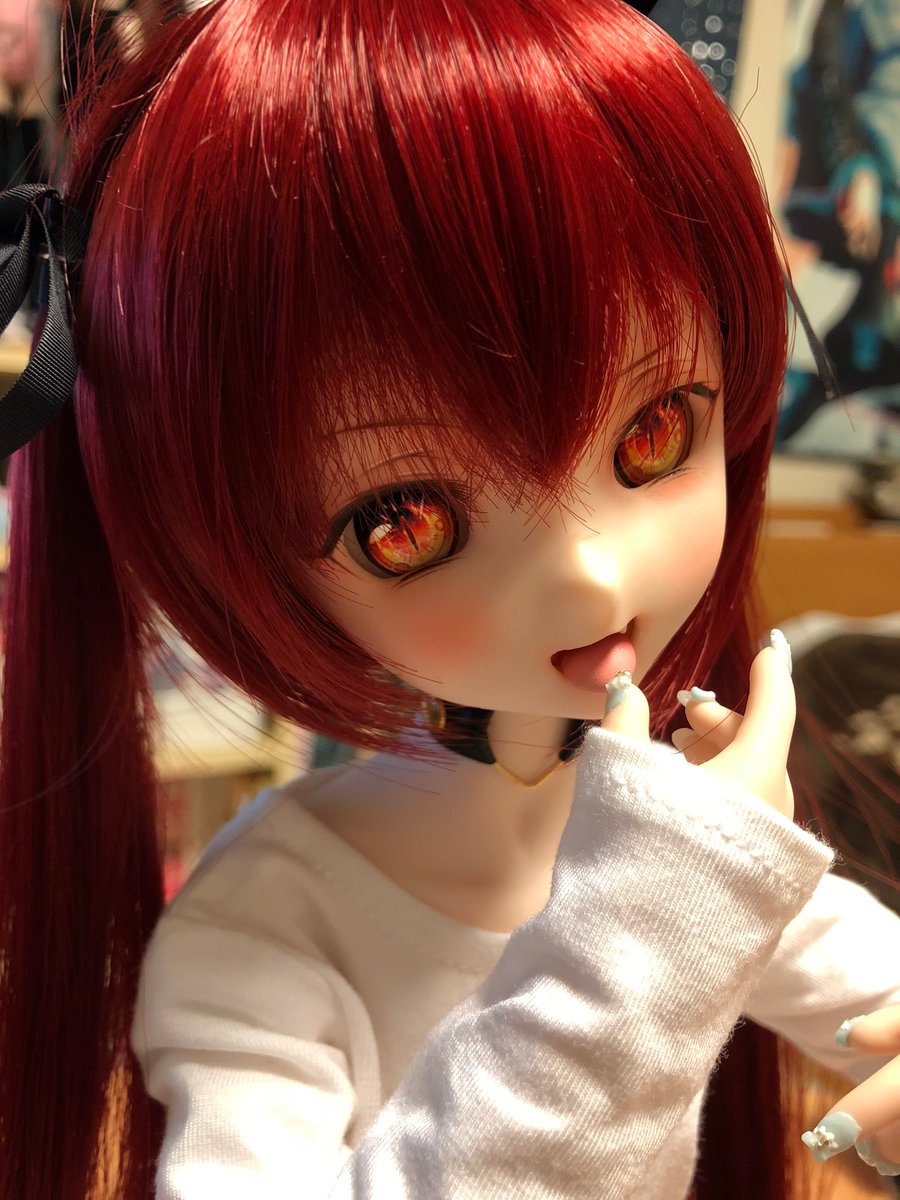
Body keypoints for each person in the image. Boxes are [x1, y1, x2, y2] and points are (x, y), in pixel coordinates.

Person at [0, 2, 898, 1198]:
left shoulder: (651, 811)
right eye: (407, 523)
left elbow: (848, 967)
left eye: (654, 433)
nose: (592, 574)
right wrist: (649, 935)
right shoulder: (274, 916)